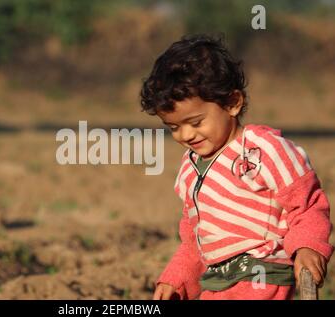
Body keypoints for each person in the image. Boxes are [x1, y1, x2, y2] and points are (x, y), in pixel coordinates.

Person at [140, 34, 333, 300]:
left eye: (196, 122)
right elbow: (197, 239)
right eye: (174, 127)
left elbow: (307, 206)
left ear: (232, 103)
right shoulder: (190, 169)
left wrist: (308, 247)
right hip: (217, 283)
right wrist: (177, 279)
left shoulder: (263, 150)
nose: (185, 135)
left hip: (260, 275)